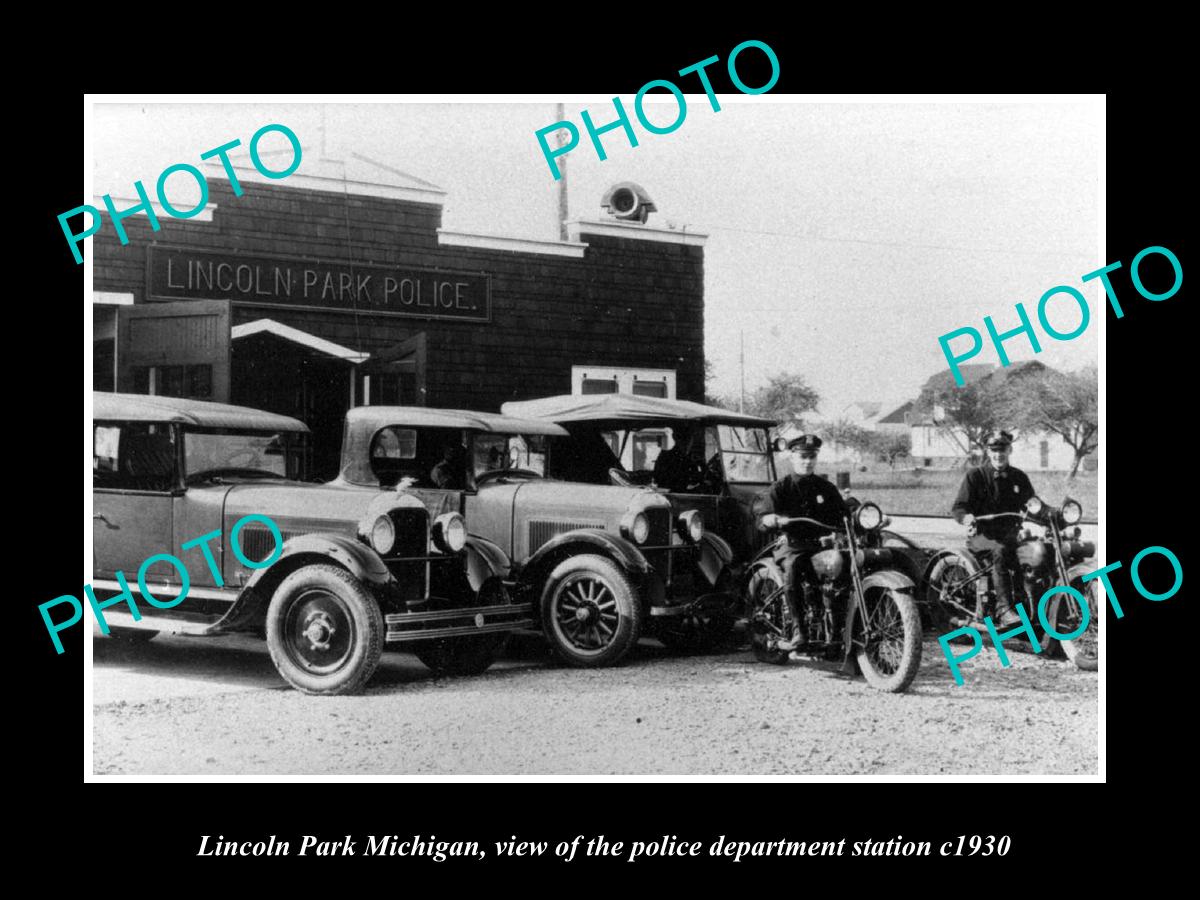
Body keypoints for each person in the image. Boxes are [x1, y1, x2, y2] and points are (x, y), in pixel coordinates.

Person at [759, 434, 848, 637]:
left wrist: (861, 517)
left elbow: (843, 513)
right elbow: (762, 517)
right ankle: (799, 629)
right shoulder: (781, 488)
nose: (808, 462)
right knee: (793, 568)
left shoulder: (826, 488)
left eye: (812, 457)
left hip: (821, 547)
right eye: (803, 457)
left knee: (847, 568)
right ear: (792, 457)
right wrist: (770, 519)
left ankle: (837, 628)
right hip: (793, 546)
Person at [951, 430, 1035, 627]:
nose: (999, 454)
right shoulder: (975, 476)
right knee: (1000, 551)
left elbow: (1032, 503)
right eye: (994, 450)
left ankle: (1031, 607)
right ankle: (1004, 609)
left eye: (1003, 449)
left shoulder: (1019, 477)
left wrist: (1050, 513)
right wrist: (967, 518)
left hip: (1010, 535)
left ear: (1010, 450)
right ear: (988, 452)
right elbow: (958, 507)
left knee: (1037, 552)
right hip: (982, 536)